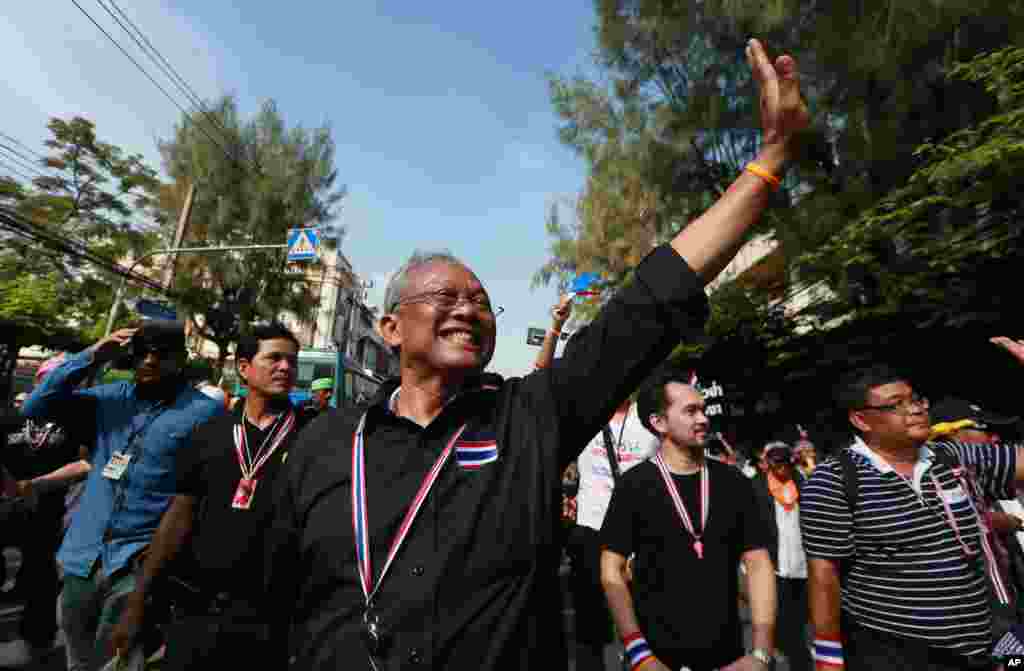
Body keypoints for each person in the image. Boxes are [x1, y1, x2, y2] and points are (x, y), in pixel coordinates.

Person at [264, 37, 808, 671]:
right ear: (389, 326)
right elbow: (276, 599)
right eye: (444, 296)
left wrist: (770, 161)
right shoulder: (325, 442)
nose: (467, 308)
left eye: (480, 300)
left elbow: (652, 300)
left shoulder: (530, 417)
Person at [800, 338, 1024, 671]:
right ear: (862, 420)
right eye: (896, 404)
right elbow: (824, 577)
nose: (917, 409)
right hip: (894, 655)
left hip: (985, 648)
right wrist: (829, 661)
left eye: (916, 399)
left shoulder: (953, 458)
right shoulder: (834, 480)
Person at [110, 323, 316, 669]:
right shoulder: (209, 434)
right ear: (244, 368)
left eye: (292, 361)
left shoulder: (313, 437)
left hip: (272, 620)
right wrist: (137, 601)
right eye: (275, 358)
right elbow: (178, 516)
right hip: (197, 612)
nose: (285, 368)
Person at [20, 321, 223, 671]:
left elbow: (202, 493)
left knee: (120, 662)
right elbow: (36, 407)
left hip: (137, 563)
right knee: (78, 660)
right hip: (82, 557)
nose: (148, 361)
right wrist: (92, 356)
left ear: (181, 359)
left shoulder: (204, 412)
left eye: (160, 354)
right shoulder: (110, 399)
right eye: (141, 353)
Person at [599, 369, 776, 671]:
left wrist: (760, 653)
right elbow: (611, 570)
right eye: (690, 411)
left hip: (729, 657)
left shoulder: (733, 482)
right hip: (657, 658)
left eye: (704, 410)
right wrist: (639, 653)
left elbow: (759, 564)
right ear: (659, 423)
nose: (703, 419)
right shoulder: (635, 485)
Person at [569, 389, 658, 670]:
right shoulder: (586, 413)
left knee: (644, 621)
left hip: (640, 532)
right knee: (590, 623)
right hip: (591, 527)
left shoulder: (648, 418)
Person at [930, 398, 1024, 642]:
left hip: (1007, 610)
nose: (995, 439)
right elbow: (963, 521)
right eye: (985, 431)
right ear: (953, 435)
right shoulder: (936, 468)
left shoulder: (985, 478)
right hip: (980, 622)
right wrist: (1007, 521)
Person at [752, 442, 812, 671]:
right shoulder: (757, 486)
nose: (781, 468)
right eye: (776, 463)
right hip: (774, 564)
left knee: (799, 616)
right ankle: (792, 656)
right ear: (768, 464)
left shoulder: (801, 482)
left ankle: (793, 648)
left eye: (784, 463)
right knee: (783, 617)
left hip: (801, 562)